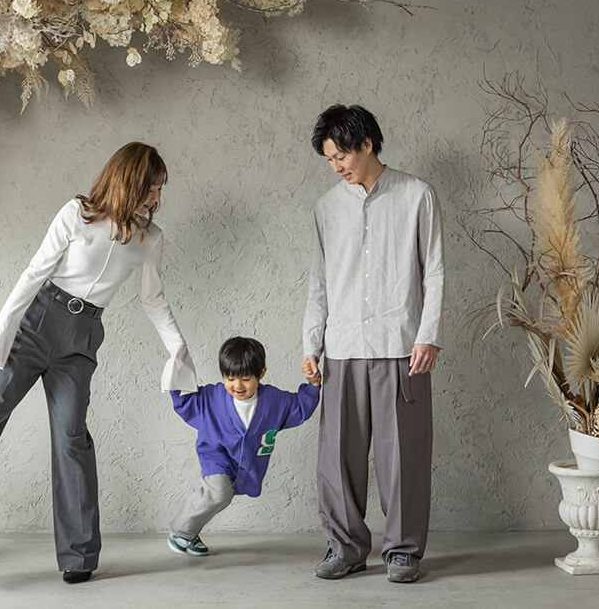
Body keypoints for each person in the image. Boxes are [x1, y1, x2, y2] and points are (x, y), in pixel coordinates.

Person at [0, 142, 198, 584]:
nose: (155, 199)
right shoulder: (77, 214)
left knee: (72, 438)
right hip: (36, 321)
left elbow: (153, 300)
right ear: (125, 181)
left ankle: (78, 557)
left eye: (159, 189)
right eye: (148, 187)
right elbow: (34, 272)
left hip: (81, 340)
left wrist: (179, 350)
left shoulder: (150, 238)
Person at [302, 104, 444, 583]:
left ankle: (403, 550)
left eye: (341, 154)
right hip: (342, 347)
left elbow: (436, 271)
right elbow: (319, 284)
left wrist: (428, 336)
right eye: (329, 159)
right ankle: (345, 546)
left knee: (402, 453)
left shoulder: (417, 195)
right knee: (337, 455)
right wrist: (311, 344)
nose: (336, 165)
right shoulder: (326, 208)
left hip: (400, 345)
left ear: (367, 144)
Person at [167, 336, 321, 556]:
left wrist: (313, 385)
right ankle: (181, 531)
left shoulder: (274, 401)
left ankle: (191, 534)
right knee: (219, 492)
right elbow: (185, 401)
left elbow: (299, 406)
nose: (237, 385)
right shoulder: (211, 398)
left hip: (245, 462)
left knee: (223, 496)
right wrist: (176, 372)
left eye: (246, 379)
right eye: (230, 378)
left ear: (262, 373)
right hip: (215, 454)